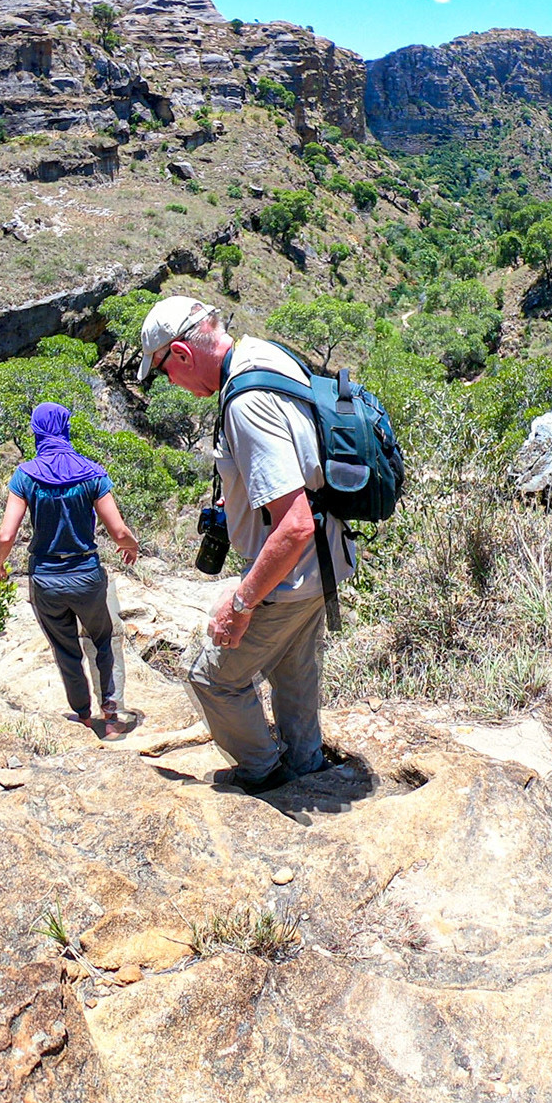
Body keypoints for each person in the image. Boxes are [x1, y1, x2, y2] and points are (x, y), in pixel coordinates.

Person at [137, 296, 352, 794]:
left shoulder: (246, 401)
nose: (172, 383)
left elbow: (293, 524)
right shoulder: (265, 353)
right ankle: (306, 769)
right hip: (326, 561)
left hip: (291, 571)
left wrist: (240, 601)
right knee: (293, 673)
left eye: (166, 371)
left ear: (182, 354)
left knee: (209, 677)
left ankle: (266, 775)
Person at [0, 403, 140, 727]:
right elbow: (119, 530)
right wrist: (130, 545)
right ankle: (110, 710)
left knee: (66, 648)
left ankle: (83, 715)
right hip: (86, 575)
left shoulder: (25, 475)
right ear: (65, 428)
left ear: (37, 431)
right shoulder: (92, 472)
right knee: (102, 639)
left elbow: (6, 535)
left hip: (46, 579)